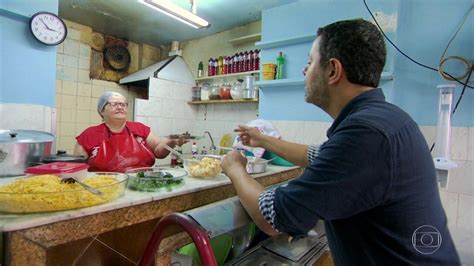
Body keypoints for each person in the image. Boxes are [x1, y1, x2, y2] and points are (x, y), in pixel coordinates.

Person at [221, 19, 460, 265]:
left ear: (333, 70)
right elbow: (317, 155)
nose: (305, 71)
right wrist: (262, 140)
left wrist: (235, 168)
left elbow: (275, 216)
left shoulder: (366, 134)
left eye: (310, 62)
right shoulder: (385, 118)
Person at [74, 91, 185, 172]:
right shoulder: (89, 135)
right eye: (113, 104)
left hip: (142, 184)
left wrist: (171, 141)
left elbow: (158, 151)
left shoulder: (140, 129)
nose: (120, 107)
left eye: (123, 104)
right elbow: (77, 168)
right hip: (106, 188)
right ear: (101, 111)